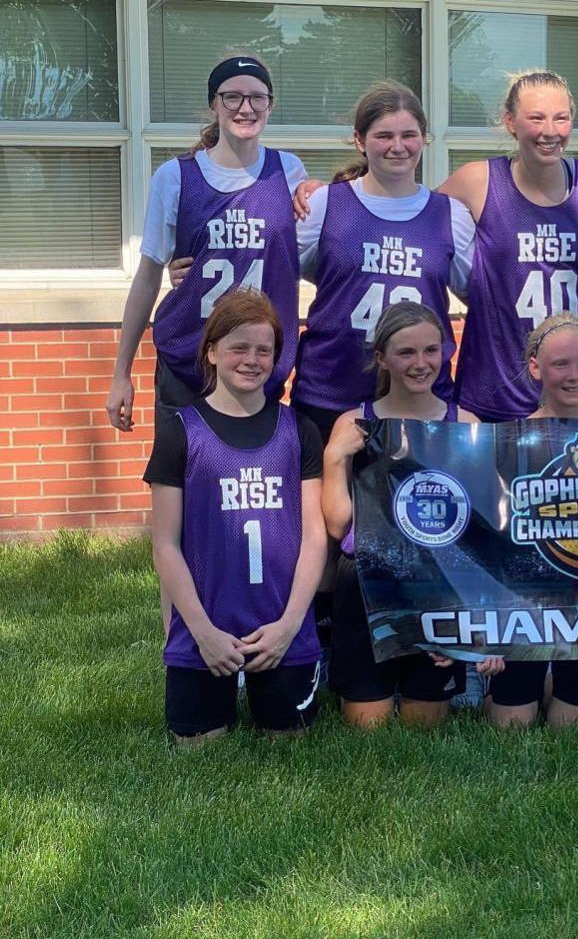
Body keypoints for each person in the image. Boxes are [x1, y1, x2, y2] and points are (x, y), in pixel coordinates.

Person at [146, 289, 326, 743]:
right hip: (205, 630)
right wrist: (201, 632)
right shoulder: (180, 431)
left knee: (289, 744)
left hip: (281, 629)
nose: (252, 360)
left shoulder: (298, 430)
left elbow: (314, 539)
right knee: (198, 748)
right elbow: (165, 545)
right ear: (211, 352)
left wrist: (289, 627)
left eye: (264, 350)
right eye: (238, 347)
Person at [320, 302, 501, 729]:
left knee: (424, 729)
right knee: (370, 730)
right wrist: (334, 458)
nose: (421, 363)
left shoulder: (465, 425)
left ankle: (460, 673)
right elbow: (338, 526)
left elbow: (483, 532)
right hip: (367, 582)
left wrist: (473, 620)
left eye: (431, 350)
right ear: (381, 358)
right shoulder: (355, 423)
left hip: (438, 586)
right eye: (406, 352)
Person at [106, 54, 306, 438]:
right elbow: (147, 276)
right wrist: (120, 373)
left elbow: (307, 255)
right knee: (180, 473)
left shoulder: (290, 172)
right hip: (188, 361)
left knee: (248, 474)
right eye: (232, 97)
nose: (245, 108)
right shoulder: (175, 177)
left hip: (257, 366)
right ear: (214, 104)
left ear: (270, 104)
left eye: (257, 97)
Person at [290, 82, 475, 444]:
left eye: (409, 135)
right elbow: (274, 273)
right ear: (359, 140)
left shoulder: (450, 215)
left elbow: (480, 295)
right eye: (384, 135)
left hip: (420, 402)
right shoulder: (325, 204)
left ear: (424, 139)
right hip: (331, 392)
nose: (398, 146)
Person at [437, 69, 578, 422]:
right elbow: (413, 220)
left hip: (574, 383)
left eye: (561, 118)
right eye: (536, 118)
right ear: (510, 122)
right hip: (495, 384)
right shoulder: (478, 180)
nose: (550, 131)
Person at [486, 312, 578, 728]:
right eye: (561, 364)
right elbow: (495, 543)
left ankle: (563, 675)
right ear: (536, 367)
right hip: (527, 605)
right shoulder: (509, 440)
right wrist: (490, 630)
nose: (574, 376)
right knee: (511, 727)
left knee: (570, 729)